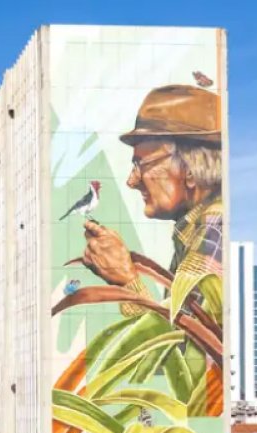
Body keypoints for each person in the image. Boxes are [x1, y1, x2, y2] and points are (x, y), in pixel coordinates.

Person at [79, 84, 223, 322]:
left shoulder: (213, 230)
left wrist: (127, 279)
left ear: (188, 169)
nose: (132, 181)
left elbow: (183, 342)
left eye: (142, 164)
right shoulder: (197, 230)